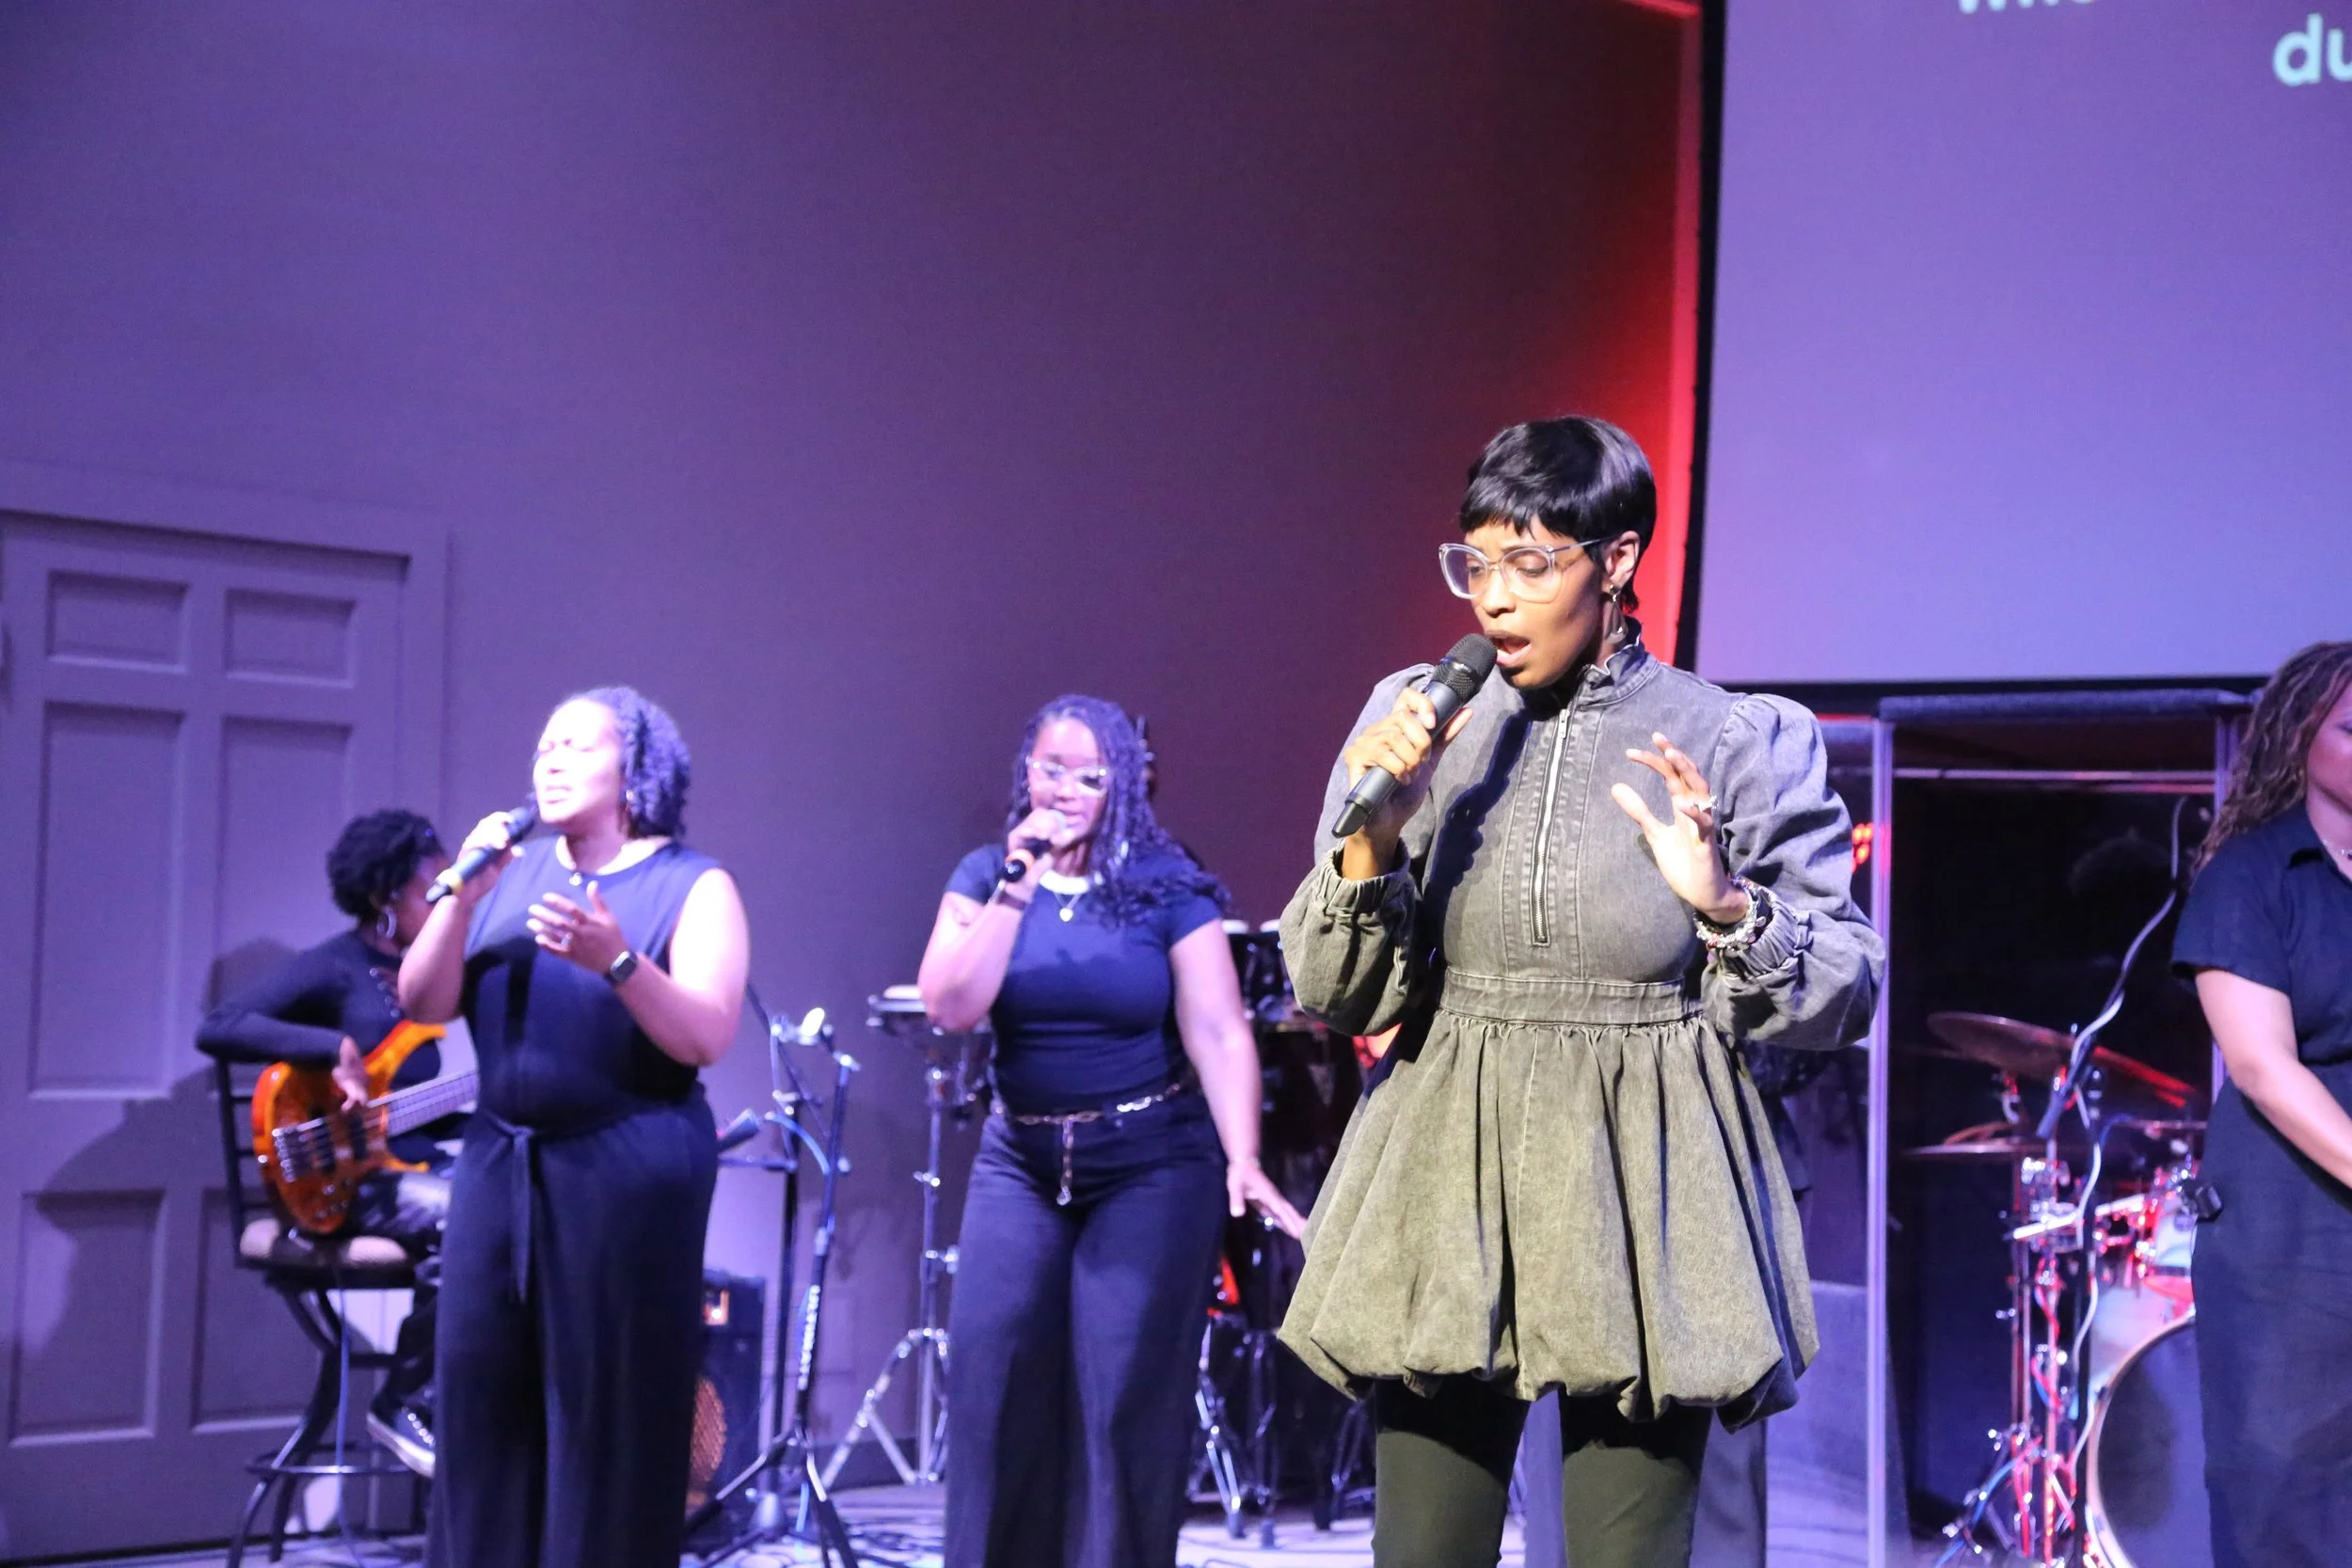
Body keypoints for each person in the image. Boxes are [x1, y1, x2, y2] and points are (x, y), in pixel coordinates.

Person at [1276, 417, 1882, 1568]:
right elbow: (1336, 991)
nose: (1494, 601)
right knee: (1421, 1551)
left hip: (1646, 1169)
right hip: (1448, 1158)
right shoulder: (1417, 718)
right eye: (1476, 563)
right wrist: (1374, 840)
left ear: (1616, 561)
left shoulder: (1732, 737)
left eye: (1531, 563)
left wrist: (1724, 904)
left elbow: (1844, 987)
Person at [919, 694, 1307, 1568]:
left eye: (1086, 776)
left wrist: (1243, 1156)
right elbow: (950, 1003)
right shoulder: (986, 874)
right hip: (1020, 1156)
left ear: (1122, 785)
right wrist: (1016, 885)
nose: (1062, 790)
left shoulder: (1166, 884)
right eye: (1048, 769)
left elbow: (1218, 1029)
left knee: (1123, 1390)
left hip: (1151, 1162)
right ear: (1026, 770)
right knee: (994, 1377)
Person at [400, 687, 748, 1568]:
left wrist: (619, 960)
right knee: (481, 1409)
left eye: (573, 746)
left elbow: (705, 1033)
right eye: (541, 746)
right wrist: (460, 897)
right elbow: (421, 1000)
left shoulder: (693, 885)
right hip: (500, 1168)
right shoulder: (508, 869)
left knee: (605, 1417)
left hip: (627, 1172)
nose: (546, 761)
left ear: (634, 770)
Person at [198, 808, 453, 1476]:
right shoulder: (337, 967)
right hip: (344, 1179)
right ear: (383, 895)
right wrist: (328, 1045)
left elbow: (417, 1113)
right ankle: (407, 1396)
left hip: (411, 1162)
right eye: (433, 886)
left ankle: (483, 1414)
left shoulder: (437, 974)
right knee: (470, 1215)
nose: (447, 896)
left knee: (520, 1200)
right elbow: (220, 1025)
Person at [2170, 640, 2352, 1568]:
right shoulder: (2249, 876)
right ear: (2297, 743)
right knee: (2290, 1497)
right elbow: (2264, 1067)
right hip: (2295, 1239)